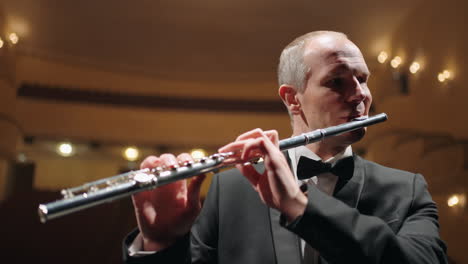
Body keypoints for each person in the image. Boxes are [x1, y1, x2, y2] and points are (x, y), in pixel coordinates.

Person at [123, 31, 448, 263]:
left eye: (362, 79)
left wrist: (301, 205)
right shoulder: (229, 189)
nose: (360, 94)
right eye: (337, 81)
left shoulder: (406, 189)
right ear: (293, 99)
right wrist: (160, 246)